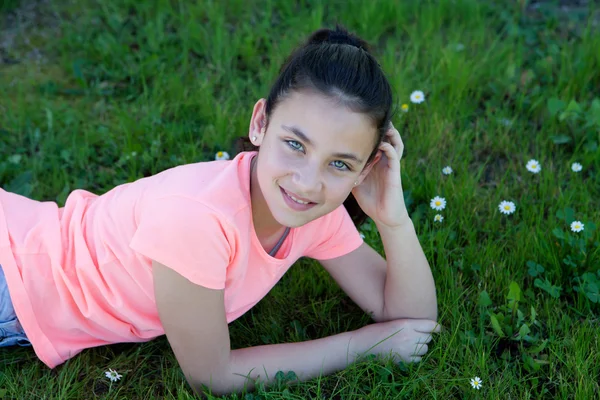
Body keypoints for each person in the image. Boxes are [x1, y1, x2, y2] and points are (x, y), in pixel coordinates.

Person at [0, 26, 439, 396]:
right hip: (15, 278)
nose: (308, 181)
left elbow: (411, 317)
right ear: (260, 123)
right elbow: (211, 374)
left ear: (365, 171)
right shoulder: (198, 221)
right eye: (295, 144)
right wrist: (363, 346)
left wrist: (392, 219)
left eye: (340, 163)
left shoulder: (312, 211)